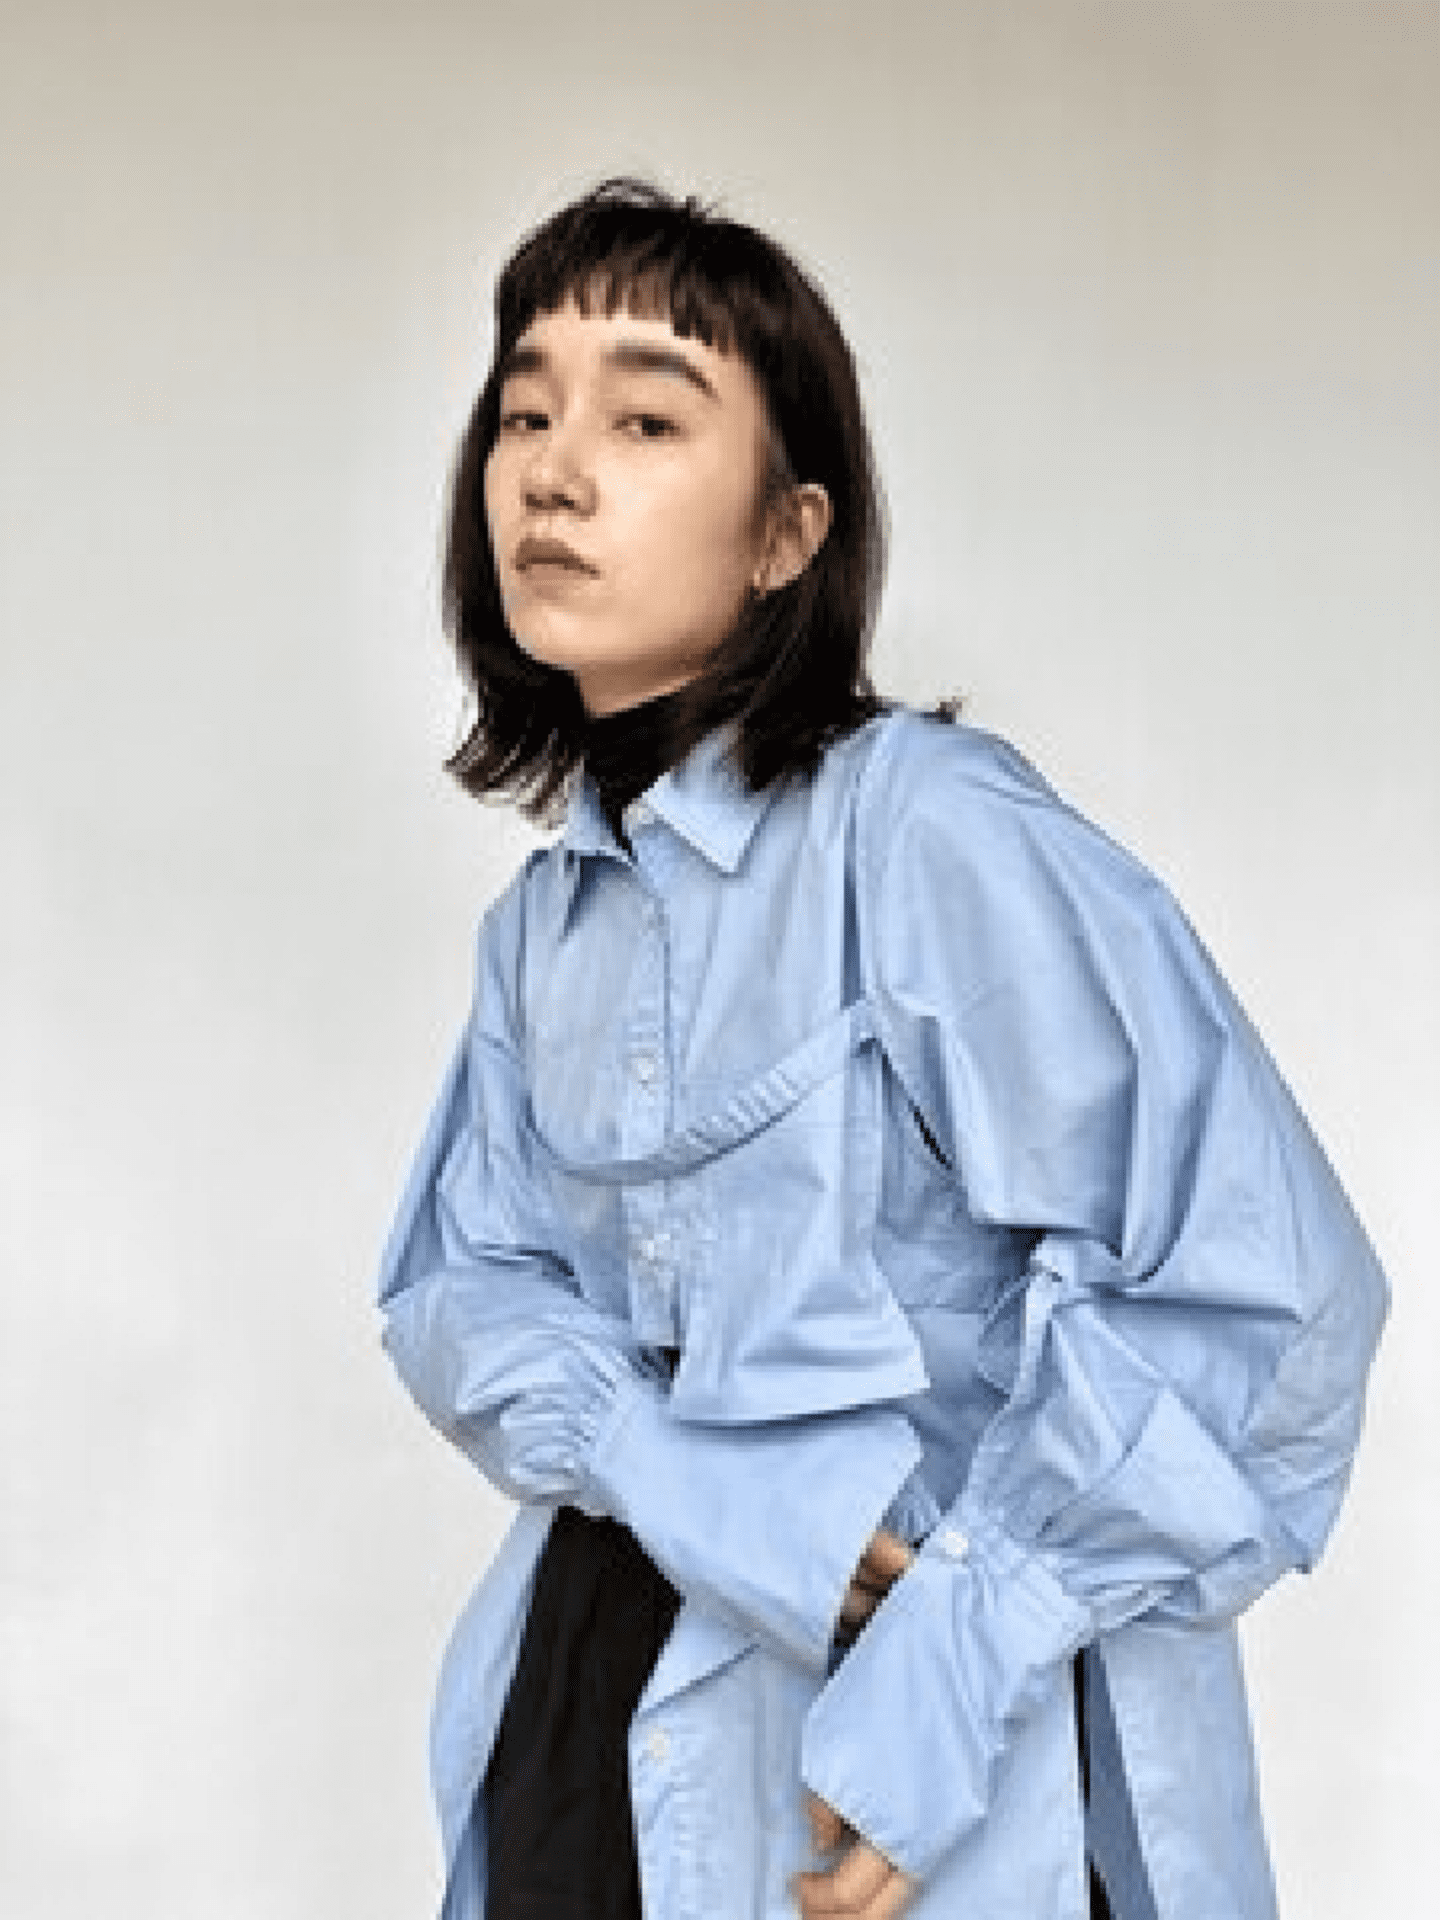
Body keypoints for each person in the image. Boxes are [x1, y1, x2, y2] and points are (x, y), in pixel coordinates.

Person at [376, 178, 1388, 1920]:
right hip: (593, 1718)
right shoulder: (544, 927)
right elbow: (459, 1291)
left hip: (915, 1746)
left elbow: (1260, 1290)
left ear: (788, 534)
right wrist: (682, 1476)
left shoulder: (927, 834)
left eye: (645, 420)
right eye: (524, 413)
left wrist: (958, 1658)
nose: (553, 472)